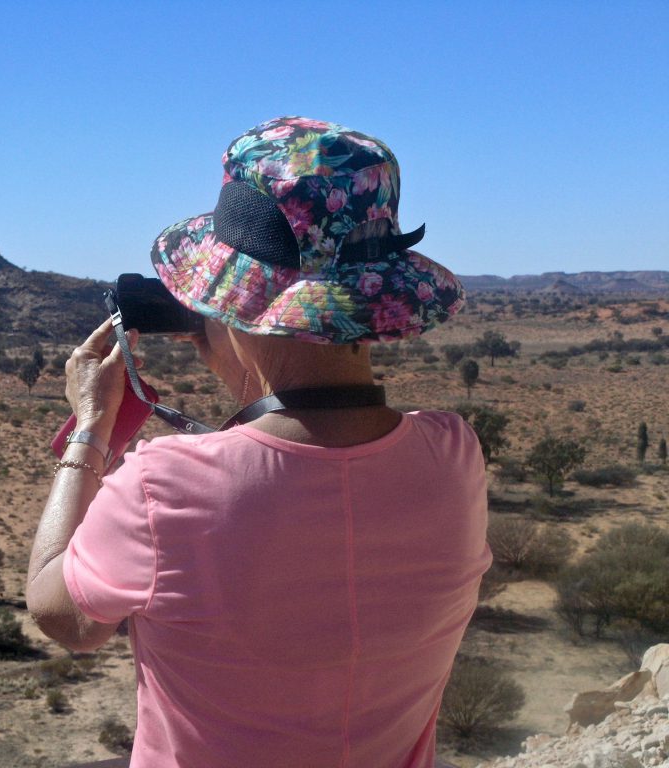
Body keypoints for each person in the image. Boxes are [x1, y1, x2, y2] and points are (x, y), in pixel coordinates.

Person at [26, 117, 491, 768]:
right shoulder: (453, 456)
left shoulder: (165, 487)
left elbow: (64, 617)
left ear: (240, 306)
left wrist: (91, 428)